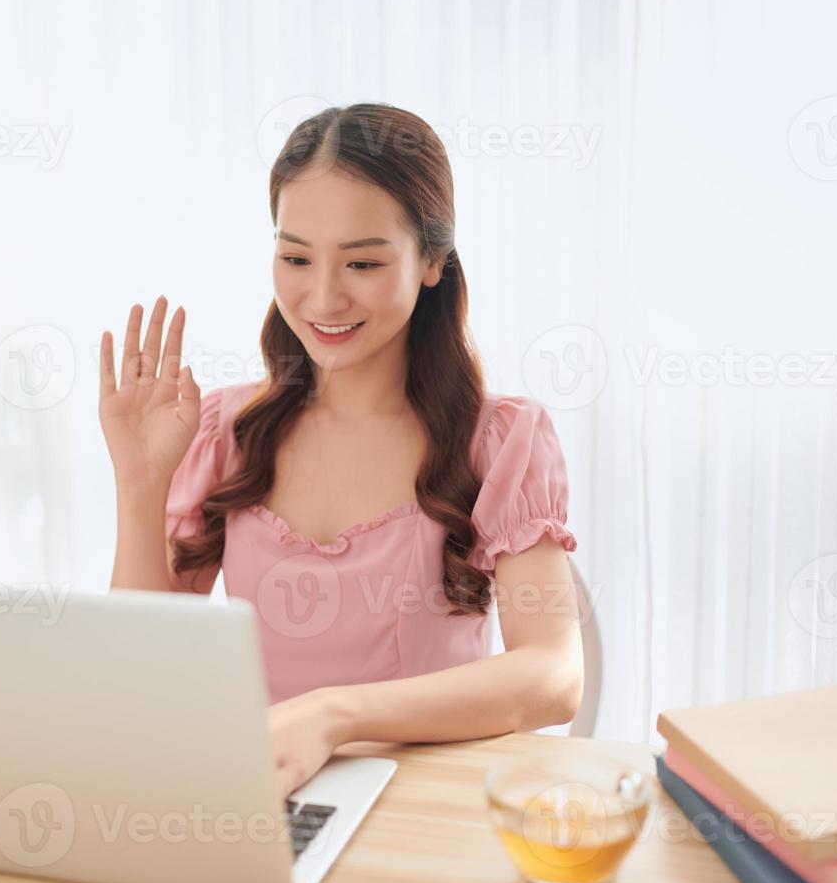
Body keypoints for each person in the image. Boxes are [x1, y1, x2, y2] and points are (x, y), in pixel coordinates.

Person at [99, 103, 584, 799]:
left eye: (361, 261)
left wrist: (334, 716)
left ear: (433, 262)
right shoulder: (223, 432)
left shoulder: (500, 439)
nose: (322, 297)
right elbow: (137, 670)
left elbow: (553, 675)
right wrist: (140, 485)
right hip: (262, 802)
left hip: (427, 809)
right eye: (295, 257)